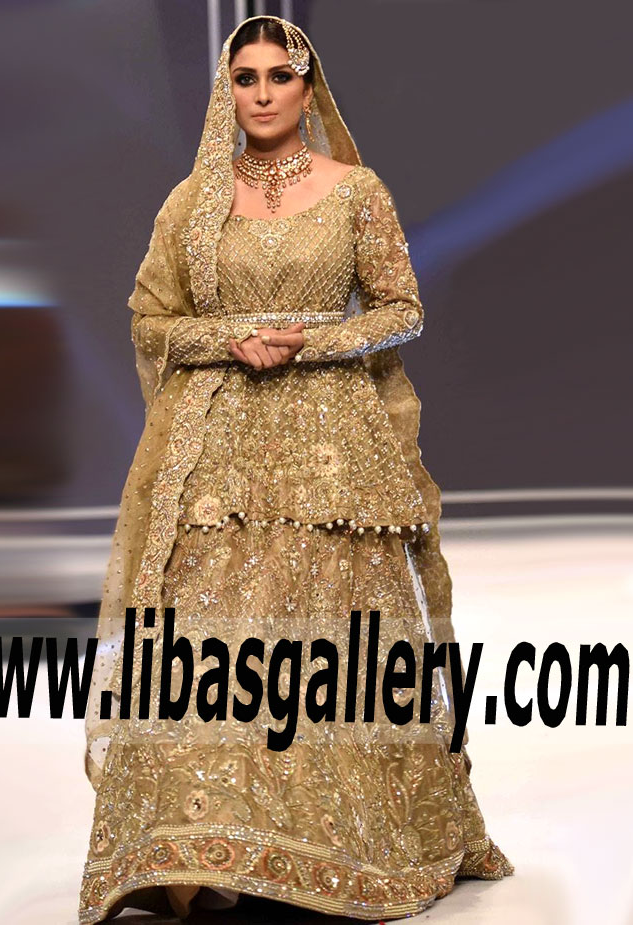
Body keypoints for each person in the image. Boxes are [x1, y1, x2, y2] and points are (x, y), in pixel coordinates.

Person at [78, 15, 514, 924]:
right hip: (220, 446)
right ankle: (209, 844)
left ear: (308, 88)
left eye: (281, 75)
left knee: (338, 634)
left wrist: (311, 343)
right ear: (227, 91)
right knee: (207, 636)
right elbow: (151, 321)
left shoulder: (357, 190)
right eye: (246, 77)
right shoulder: (192, 202)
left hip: (334, 446)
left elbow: (402, 307)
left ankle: (349, 847)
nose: (264, 92)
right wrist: (229, 337)